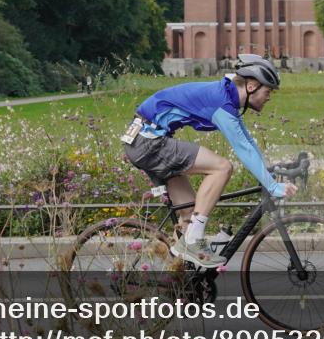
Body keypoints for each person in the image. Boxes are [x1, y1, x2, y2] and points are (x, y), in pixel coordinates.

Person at [122, 54, 298, 267]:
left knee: (188, 217)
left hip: (144, 141)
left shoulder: (227, 99)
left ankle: (180, 283)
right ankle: (194, 240)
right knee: (222, 168)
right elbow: (242, 150)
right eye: (268, 91)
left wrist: (269, 175)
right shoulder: (221, 103)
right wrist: (272, 186)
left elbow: (249, 143)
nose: (269, 97)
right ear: (251, 86)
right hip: (148, 142)